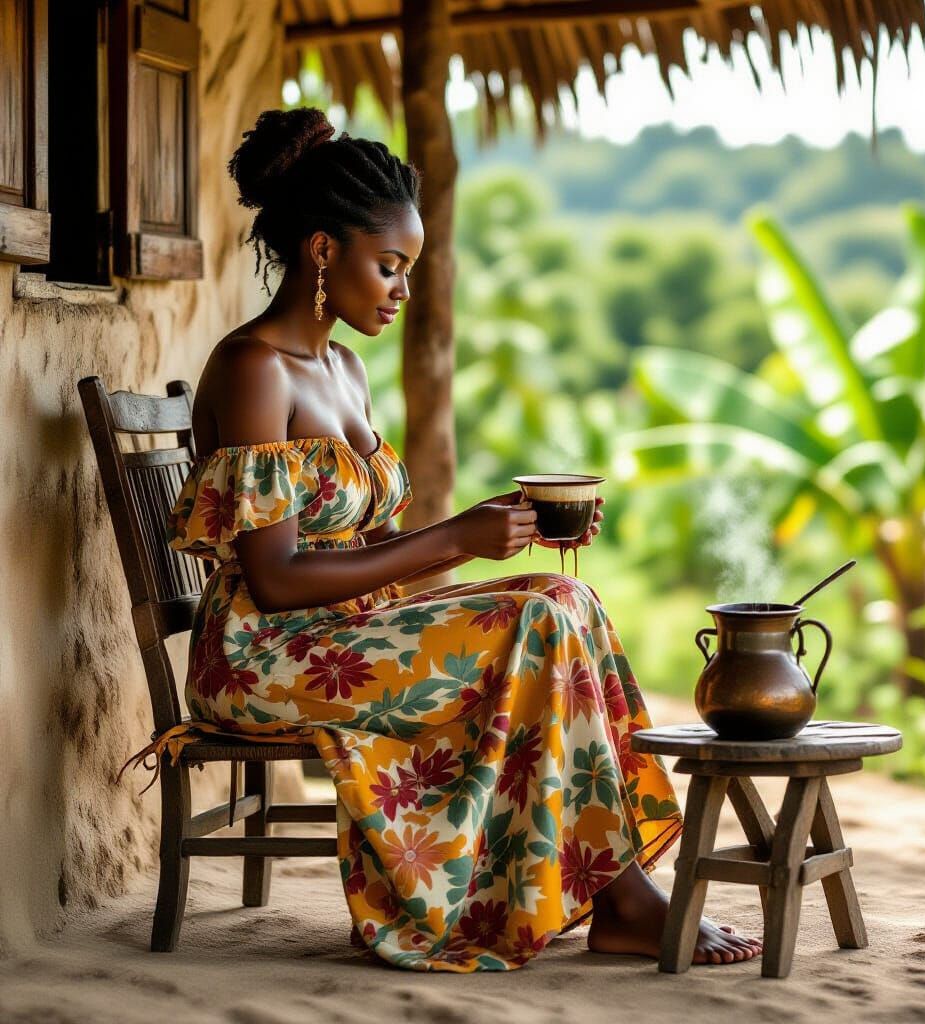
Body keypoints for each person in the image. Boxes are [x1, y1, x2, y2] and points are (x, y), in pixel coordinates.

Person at [166, 107, 762, 972]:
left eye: (408, 268)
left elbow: (369, 548)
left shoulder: (343, 367)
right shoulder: (254, 368)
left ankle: (618, 887)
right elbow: (281, 580)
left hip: (341, 632)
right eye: (390, 266)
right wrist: (457, 537)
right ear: (323, 250)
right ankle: (624, 898)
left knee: (566, 597)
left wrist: (496, 533)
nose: (403, 289)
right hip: (265, 653)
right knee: (545, 615)